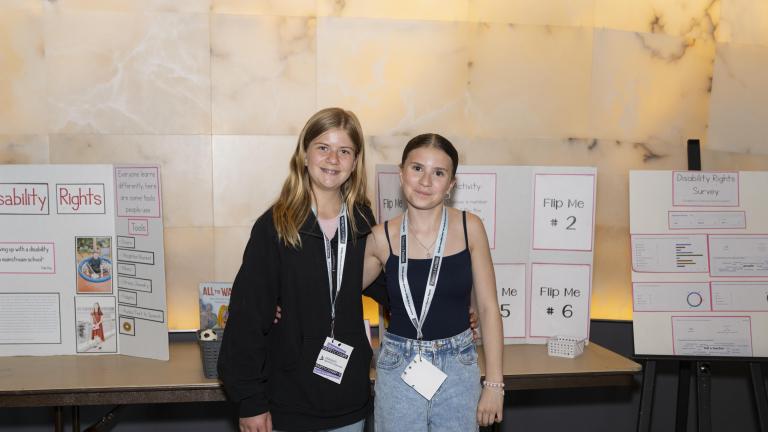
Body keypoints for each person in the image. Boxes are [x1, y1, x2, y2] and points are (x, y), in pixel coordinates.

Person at [218, 108, 382, 432]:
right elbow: (248, 315)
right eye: (323, 147)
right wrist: (250, 399)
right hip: (288, 402)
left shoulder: (363, 223)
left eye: (344, 150)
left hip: (349, 401)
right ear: (304, 155)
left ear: (355, 161)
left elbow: (391, 288)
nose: (333, 159)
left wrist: (452, 310)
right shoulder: (276, 226)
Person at [362, 133, 505, 431]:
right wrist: (280, 303)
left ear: (451, 184)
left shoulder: (470, 227)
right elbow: (334, 291)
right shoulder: (380, 237)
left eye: (438, 173)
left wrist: (494, 384)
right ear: (401, 174)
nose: (426, 181)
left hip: (459, 366)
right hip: (398, 366)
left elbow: (490, 308)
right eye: (417, 169)